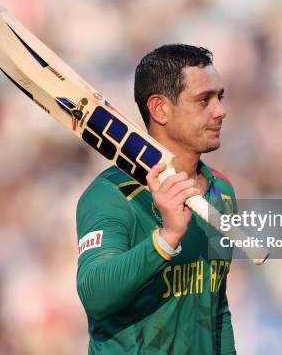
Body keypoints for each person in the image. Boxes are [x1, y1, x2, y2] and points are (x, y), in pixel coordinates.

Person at [76, 44, 237, 354]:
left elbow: (216, 311)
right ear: (160, 109)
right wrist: (166, 239)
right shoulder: (111, 194)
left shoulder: (222, 191)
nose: (220, 111)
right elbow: (94, 293)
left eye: (220, 97)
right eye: (204, 100)